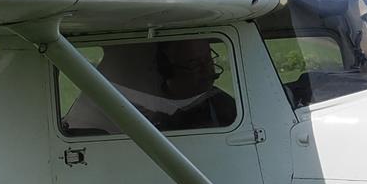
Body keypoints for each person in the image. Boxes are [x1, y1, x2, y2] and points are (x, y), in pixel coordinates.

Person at [60, 37, 237, 135]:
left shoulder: (224, 106)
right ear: (163, 67)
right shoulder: (105, 109)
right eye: (194, 64)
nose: (207, 72)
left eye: (208, 60)